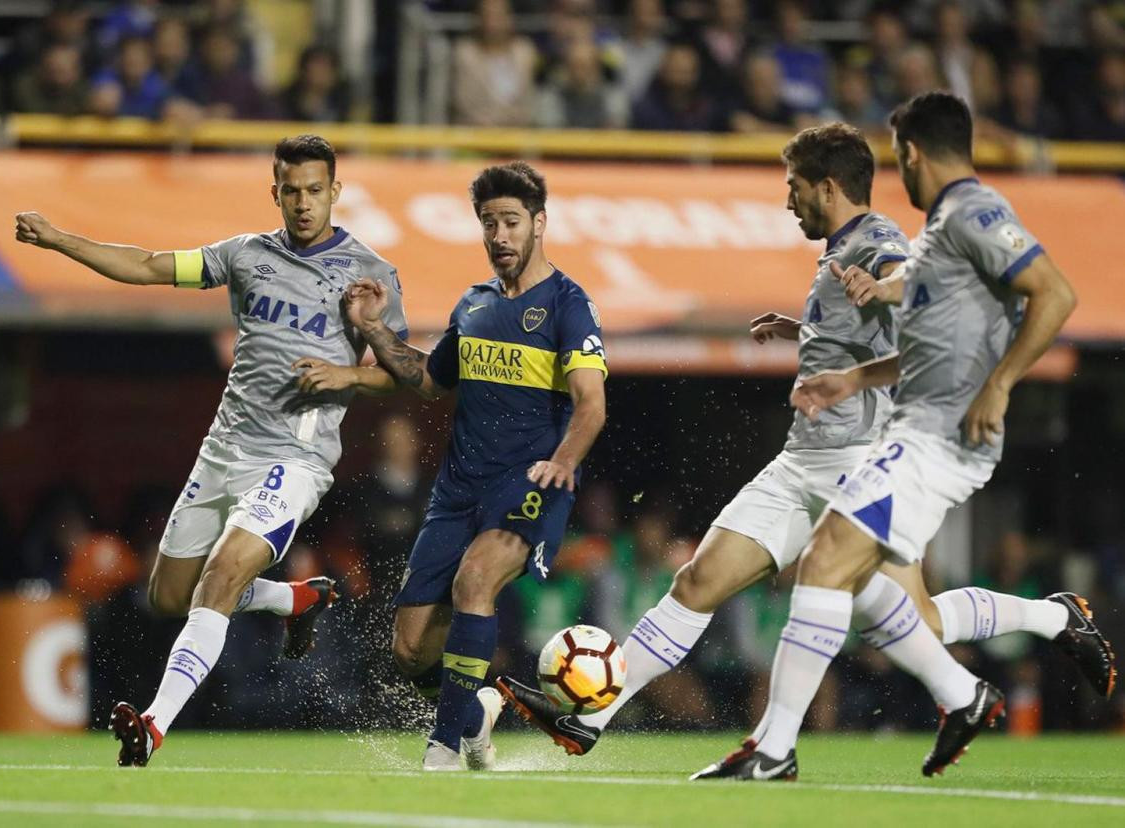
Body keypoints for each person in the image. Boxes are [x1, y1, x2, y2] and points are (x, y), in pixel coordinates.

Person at [495, 120, 1116, 770]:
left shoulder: (877, 242)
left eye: (795, 188)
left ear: (827, 185)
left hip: (860, 465)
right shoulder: (838, 251)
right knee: (699, 580)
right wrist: (801, 330)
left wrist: (894, 289)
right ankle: (593, 718)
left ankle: (1046, 624)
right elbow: (865, 330)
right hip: (802, 461)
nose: (789, 202)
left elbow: (921, 304)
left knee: (915, 622)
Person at [692, 92, 1110, 781]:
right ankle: (1001, 660)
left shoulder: (974, 211)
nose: (897, 175)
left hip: (939, 434)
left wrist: (1002, 384)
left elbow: (1055, 293)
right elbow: (928, 341)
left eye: (899, 160)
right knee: (885, 599)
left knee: (827, 560)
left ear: (912, 153)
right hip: (915, 427)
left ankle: (775, 748)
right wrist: (850, 378)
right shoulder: (942, 229)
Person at [13, 134, 408, 766]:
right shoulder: (246, 256)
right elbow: (145, 265)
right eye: (291, 191)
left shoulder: (370, 275)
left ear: (336, 192)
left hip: (295, 461)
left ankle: (152, 725)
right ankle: (295, 597)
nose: (303, 203)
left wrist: (355, 365)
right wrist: (60, 239)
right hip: (222, 452)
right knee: (169, 595)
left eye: (315, 191)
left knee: (222, 576)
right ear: (274, 192)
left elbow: (408, 372)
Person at [312, 161, 608, 770]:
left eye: (512, 222)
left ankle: (444, 747)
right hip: (457, 490)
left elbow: (591, 405)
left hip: (530, 482)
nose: (499, 235)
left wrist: (562, 461)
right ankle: (475, 718)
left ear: (539, 224)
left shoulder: (569, 305)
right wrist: (371, 330)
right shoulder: (473, 305)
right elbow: (426, 378)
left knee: (476, 580)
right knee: (410, 649)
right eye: (489, 223)